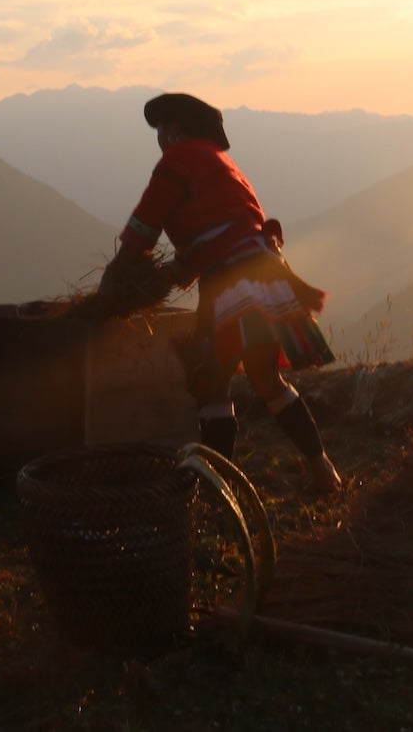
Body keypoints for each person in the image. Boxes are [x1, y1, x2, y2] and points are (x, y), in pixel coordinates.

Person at [107, 92, 341, 494]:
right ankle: (323, 469)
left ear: (175, 129)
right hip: (266, 277)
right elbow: (224, 232)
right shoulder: (223, 164)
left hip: (232, 285)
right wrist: (179, 270)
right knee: (267, 379)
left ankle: (216, 491)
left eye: (161, 130)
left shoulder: (177, 161)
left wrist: (114, 277)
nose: (159, 139)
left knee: (210, 386)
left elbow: (145, 226)